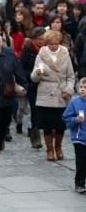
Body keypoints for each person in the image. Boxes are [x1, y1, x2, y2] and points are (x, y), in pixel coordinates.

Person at [31, 30, 75, 161]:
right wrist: (37, 73)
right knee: (47, 123)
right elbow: (33, 78)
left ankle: (58, 147)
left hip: (61, 93)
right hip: (46, 92)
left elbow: (71, 76)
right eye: (51, 44)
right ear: (47, 43)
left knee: (61, 123)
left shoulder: (65, 53)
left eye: (56, 43)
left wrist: (69, 89)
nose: (54, 46)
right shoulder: (41, 54)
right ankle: (49, 150)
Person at [63, 78, 86, 194]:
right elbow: (66, 118)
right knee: (81, 162)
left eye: (85, 87)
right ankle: (80, 183)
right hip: (79, 138)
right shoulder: (75, 103)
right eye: (81, 87)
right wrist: (76, 119)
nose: (82, 89)